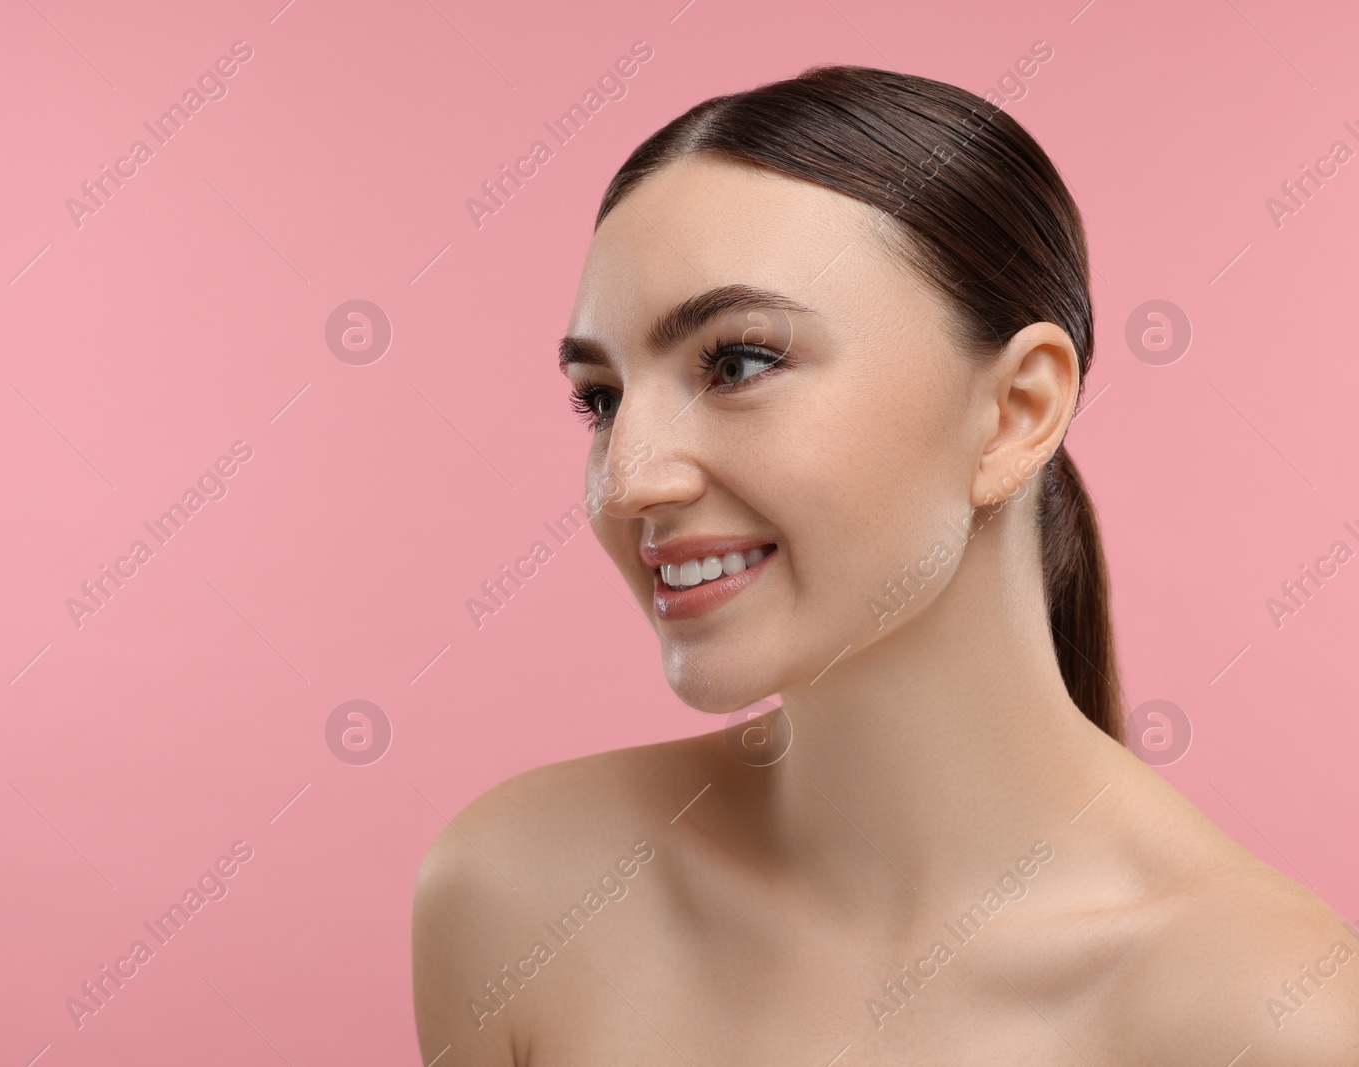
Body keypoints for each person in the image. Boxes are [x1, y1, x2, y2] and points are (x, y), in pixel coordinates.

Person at [411, 65, 1359, 1064]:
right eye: (599, 398)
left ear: (1015, 411)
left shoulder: (1265, 1017)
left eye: (736, 363)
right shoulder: (517, 893)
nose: (629, 480)